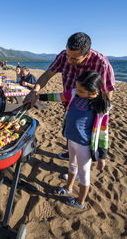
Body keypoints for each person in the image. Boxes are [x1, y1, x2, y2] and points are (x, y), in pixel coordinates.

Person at [24, 32, 115, 161]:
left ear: (87, 54)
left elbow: (108, 91)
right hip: (69, 105)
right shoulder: (63, 56)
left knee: (84, 140)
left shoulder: (102, 64)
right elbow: (47, 74)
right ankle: (70, 153)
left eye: (74, 59)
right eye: (68, 56)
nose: (69, 61)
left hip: (89, 111)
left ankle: (82, 162)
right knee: (70, 130)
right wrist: (34, 92)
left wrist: (101, 114)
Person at [39, 71, 111, 209]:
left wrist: (103, 156)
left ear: (94, 93)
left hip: (84, 145)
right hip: (71, 140)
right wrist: (39, 96)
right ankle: (68, 188)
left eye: (81, 91)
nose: (76, 92)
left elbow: (103, 134)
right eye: (77, 88)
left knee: (84, 173)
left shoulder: (101, 108)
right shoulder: (74, 94)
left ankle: (80, 202)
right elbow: (58, 96)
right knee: (72, 165)